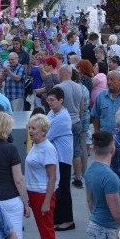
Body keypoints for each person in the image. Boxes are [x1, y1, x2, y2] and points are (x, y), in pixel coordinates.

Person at [25, 113, 59, 239]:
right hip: (35, 193)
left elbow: (52, 178)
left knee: (46, 232)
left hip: (42, 194)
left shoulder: (47, 148)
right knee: (44, 232)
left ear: (43, 130)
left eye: (34, 128)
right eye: (29, 128)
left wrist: (46, 202)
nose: (30, 131)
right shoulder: (36, 145)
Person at [46, 86, 75, 231]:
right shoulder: (52, 112)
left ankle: (68, 220)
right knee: (57, 188)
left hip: (63, 157)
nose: (49, 103)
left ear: (61, 100)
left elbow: (46, 135)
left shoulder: (62, 117)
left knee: (63, 188)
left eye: (52, 100)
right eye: (48, 100)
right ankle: (58, 218)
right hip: (56, 157)